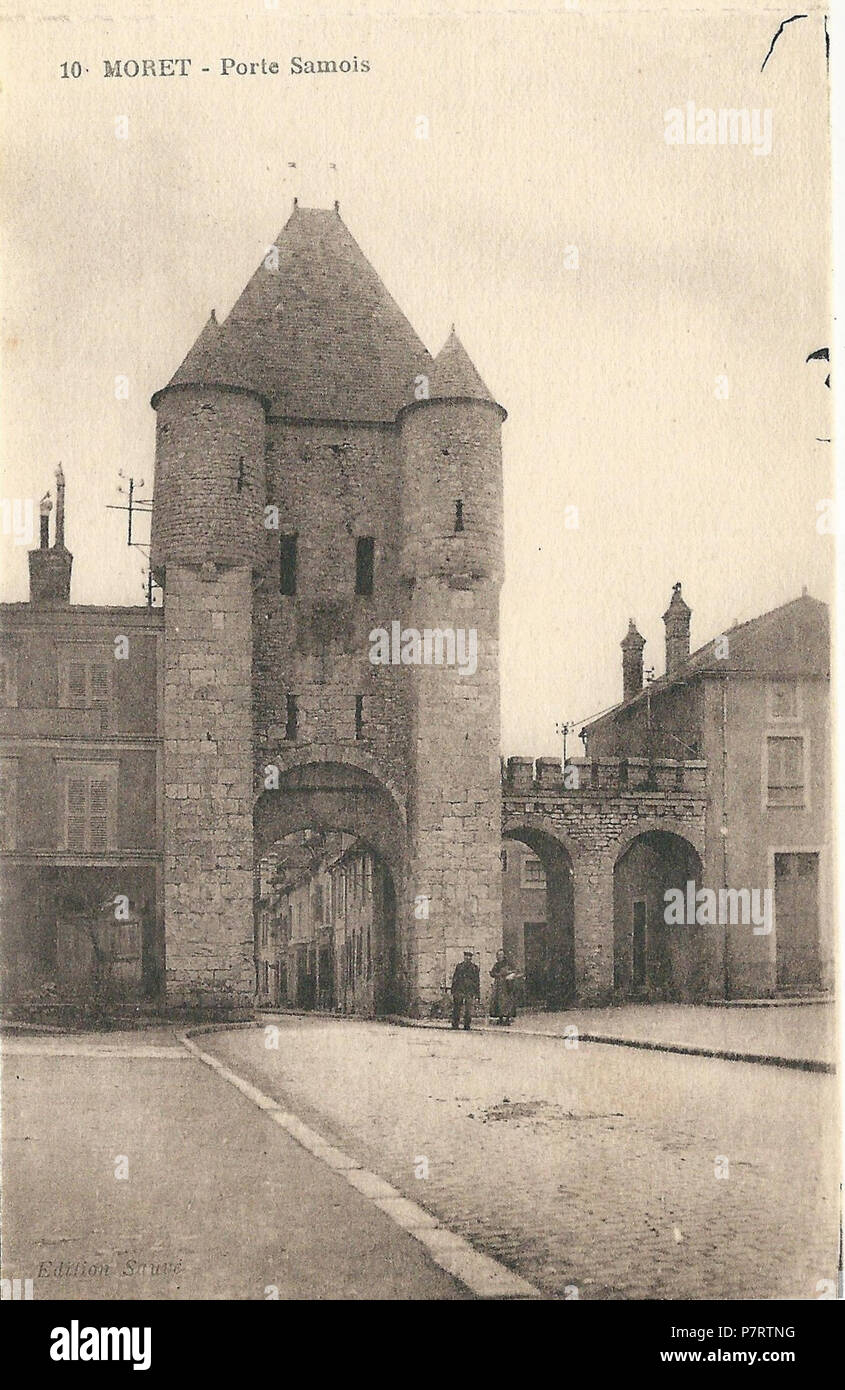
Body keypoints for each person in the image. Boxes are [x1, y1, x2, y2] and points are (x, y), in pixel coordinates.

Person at [450, 950, 480, 1030]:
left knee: (468, 1009)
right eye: (466, 956)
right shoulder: (459, 966)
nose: (467, 958)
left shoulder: (474, 968)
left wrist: (477, 993)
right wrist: (453, 990)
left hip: (469, 990)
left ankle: (467, 1025)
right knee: (457, 1007)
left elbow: (477, 981)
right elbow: (455, 978)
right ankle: (455, 1024)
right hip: (459, 989)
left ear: (471, 958)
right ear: (464, 957)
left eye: (469, 956)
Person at [490, 948, 518, 1025]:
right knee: (498, 1001)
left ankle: (508, 1018)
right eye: (498, 955)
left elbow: (515, 971)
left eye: (501, 954)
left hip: (507, 985)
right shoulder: (496, 965)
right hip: (499, 985)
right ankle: (500, 1018)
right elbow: (492, 973)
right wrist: (498, 975)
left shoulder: (508, 963)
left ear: (504, 955)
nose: (500, 956)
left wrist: (509, 974)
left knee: (507, 1001)